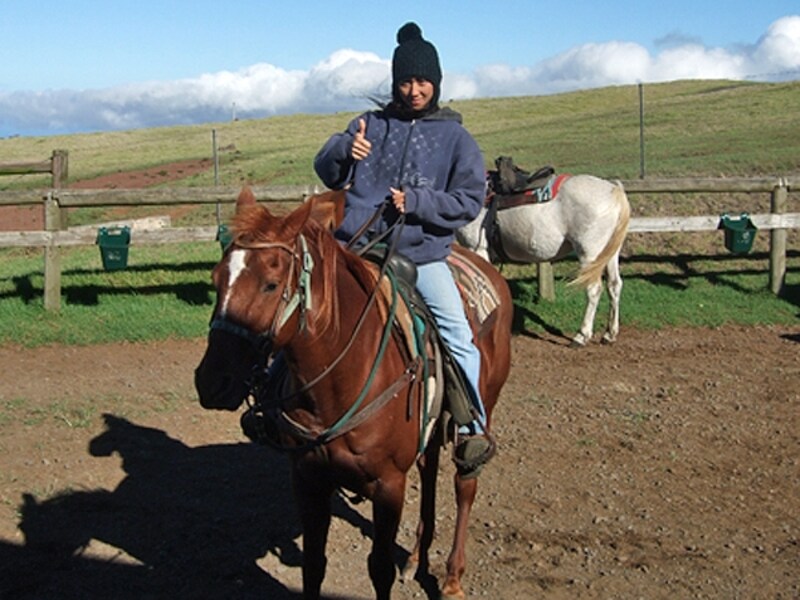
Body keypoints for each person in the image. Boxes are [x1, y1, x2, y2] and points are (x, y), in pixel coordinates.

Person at [313, 21, 492, 475]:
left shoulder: (456, 139)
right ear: (395, 83)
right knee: (302, 313)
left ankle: (473, 426)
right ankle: (282, 409)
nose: (414, 91)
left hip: (420, 255)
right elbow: (327, 171)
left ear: (436, 82)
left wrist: (418, 202)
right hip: (355, 247)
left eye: (422, 82)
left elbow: (469, 202)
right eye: (406, 82)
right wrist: (342, 150)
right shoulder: (369, 125)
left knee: (458, 336)